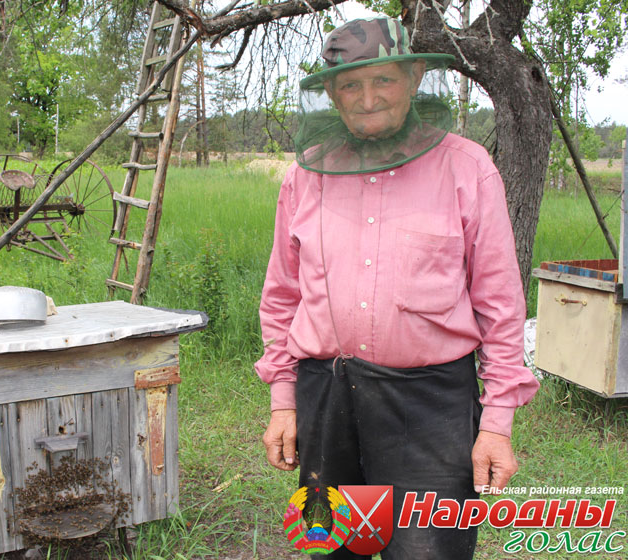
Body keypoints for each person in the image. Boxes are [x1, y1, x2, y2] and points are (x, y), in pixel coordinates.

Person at [255, 16, 540, 559]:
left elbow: (501, 306)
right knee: (334, 546)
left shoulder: (466, 167)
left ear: (413, 79)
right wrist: (283, 401)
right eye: (350, 85)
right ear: (331, 94)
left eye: (383, 79)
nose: (368, 99)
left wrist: (497, 424)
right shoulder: (305, 176)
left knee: (427, 551)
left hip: (429, 405)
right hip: (325, 397)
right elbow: (282, 296)